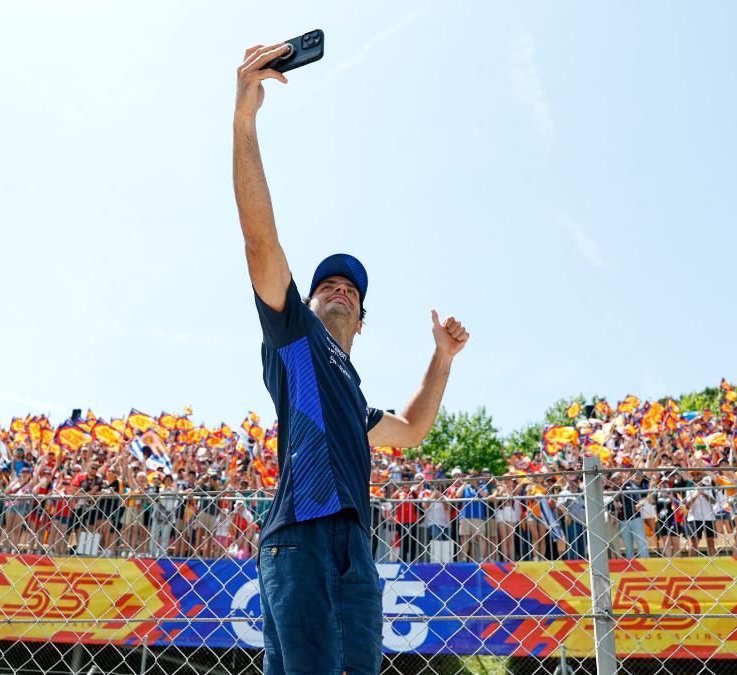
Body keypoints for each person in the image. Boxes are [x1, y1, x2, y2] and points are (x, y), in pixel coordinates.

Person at [233, 40, 470, 674]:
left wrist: (441, 358)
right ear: (307, 304)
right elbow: (261, 239)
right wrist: (245, 117)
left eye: (352, 292)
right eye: (328, 286)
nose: (340, 291)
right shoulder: (295, 340)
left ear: (362, 323)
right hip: (303, 536)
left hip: (355, 553)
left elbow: (415, 430)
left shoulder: (354, 399)